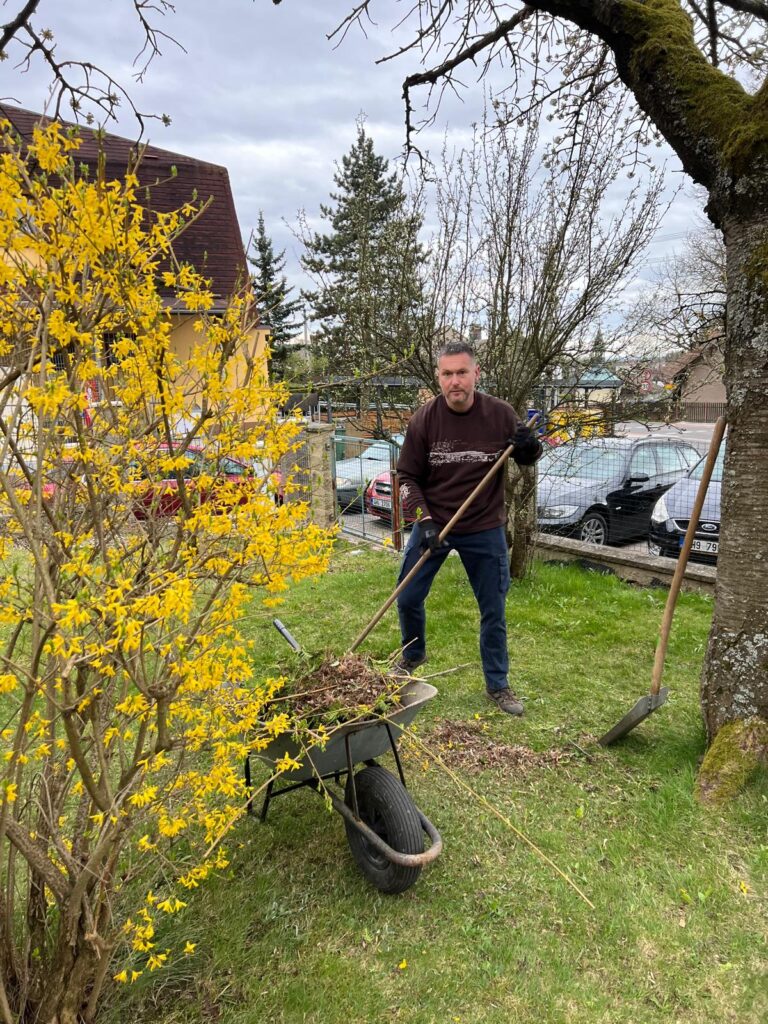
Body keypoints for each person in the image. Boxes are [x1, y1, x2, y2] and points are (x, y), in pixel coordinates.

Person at [394, 341, 542, 715]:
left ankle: (498, 684)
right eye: (447, 374)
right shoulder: (424, 420)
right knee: (408, 596)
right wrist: (424, 521)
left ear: (476, 373)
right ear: (438, 377)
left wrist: (529, 447)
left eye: (462, 372)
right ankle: (413, 654)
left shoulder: (500, 414)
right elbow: (407, 477)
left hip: (483, 526)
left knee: (493, 608)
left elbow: (526, 458)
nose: (455, 381)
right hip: (435, 523)